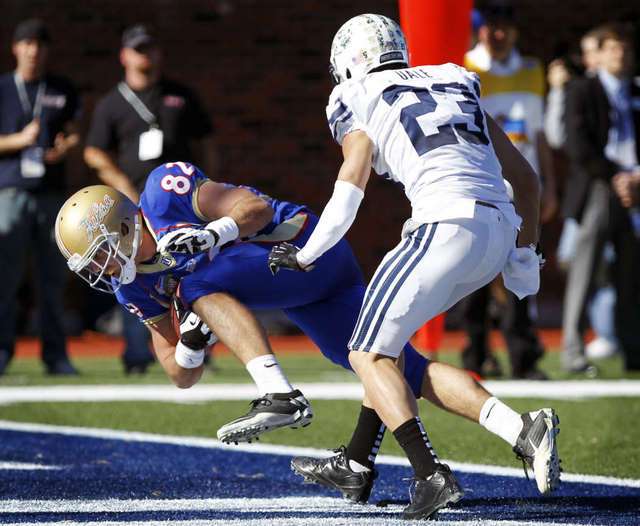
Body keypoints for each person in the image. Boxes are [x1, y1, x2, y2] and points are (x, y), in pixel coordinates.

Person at [55, 161, 559, 499]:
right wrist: (189, 342)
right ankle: (522, 429)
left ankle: (277, 394)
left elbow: (252, 207)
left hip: (301, 246)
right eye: (89, 263)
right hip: (301, 292)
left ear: (122, 224)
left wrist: (212, 232)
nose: (99, 268)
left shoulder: (164, 196)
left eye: (98, 251)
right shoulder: (132, 289)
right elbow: (178, 374)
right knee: (392, 368)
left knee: (195, 281)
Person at [268, 13, 559, 520]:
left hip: (442, 227)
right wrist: (523, 255)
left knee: (366, 354)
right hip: (495, 231)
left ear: (350, 62)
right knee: (388, 346)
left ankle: (429, 474)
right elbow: (527, 181)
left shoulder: (355, 95)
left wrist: (308, 251)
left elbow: (351, 182)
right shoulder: (456, 77)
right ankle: (357, 461)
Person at [83, 24, 216, 374]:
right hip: (134, 208)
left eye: (150, 48)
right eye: (138, 49)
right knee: (131, 274)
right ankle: (137, 354)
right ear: (124, 55)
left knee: (191, 269)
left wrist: (206, 186)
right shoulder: (113, 103)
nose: (145, 55)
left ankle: (202, 347)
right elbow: (94, 152)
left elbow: (205, 141)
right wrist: (121, 184)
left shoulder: (179, 95)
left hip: (179, 204)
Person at [460, 1, 554, 379]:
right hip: (481, 184)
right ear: (478, 29)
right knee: (474, 278)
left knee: (523, 270)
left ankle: (524, 358)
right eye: (489, 26)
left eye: (504, 27)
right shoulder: (463, 67)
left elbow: (541, 134)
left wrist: (548, 184)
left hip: (522, 189)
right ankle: (477, 354)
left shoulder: (532, 71)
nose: (497, 34)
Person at [0, 19, 80, 376]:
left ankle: (56, 355)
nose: (33, 50)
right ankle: (2, 352)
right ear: (16, 48)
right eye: (27, 43)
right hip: (10, 191)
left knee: (53, 280)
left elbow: (75, 132)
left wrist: (65, 147)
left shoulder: (61, 88)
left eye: (40, 44)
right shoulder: (2, 89)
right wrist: (19, 141)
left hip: (52, 195)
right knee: (5, 277)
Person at [563, 23, 640, 372]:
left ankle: (633, 350)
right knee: (585, 270)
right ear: (601, 52)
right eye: (612, 47)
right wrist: (616, 176)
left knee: (631, 273)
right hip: (598, 186)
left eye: (624, 48)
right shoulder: (582, 89)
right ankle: (574, 351)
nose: (619, 54)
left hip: (635, 189)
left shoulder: (635, 91)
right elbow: (577, 144)